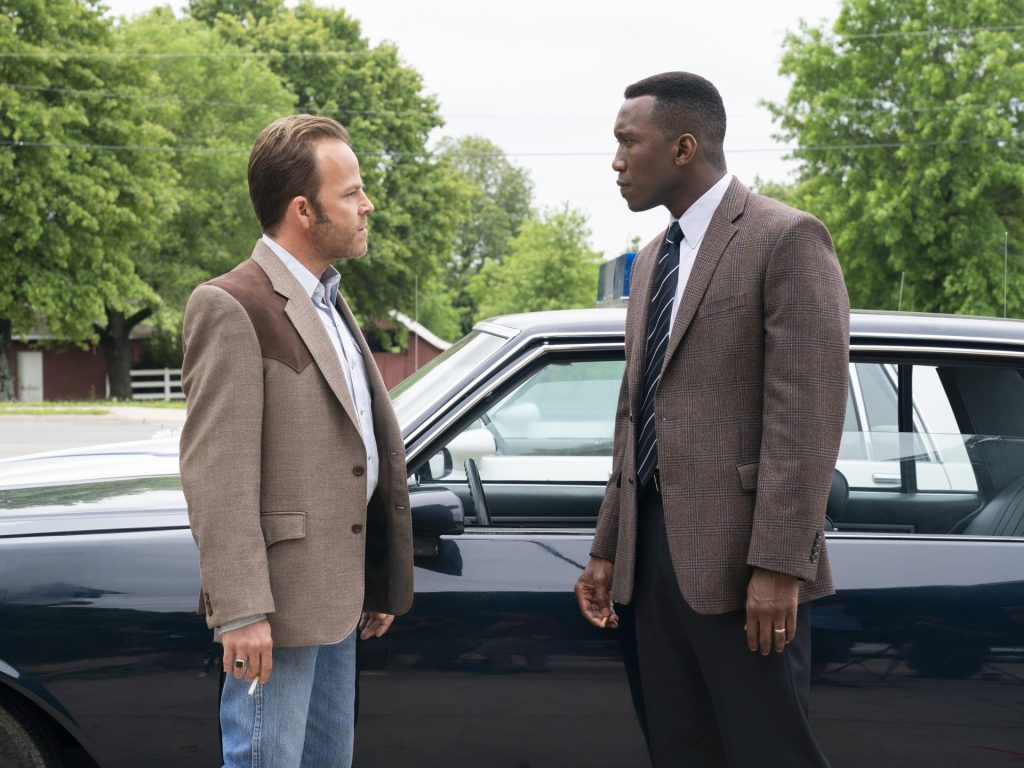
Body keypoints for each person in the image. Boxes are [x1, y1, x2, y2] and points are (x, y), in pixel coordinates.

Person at [574, 72, 849, 767]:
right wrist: (609, 547)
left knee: (769, 754)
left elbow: (806, 416)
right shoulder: (651, 259)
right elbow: (635, 412)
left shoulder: (785, 238)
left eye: (627, 142)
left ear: (683, 147)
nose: (616, 161)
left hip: (741, 567)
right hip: (651, 565)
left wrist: (779, 566)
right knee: (679, 752)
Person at [180, 114, 413, 768]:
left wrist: (374, 579)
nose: (367, 205)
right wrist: (241, 612)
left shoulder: (328, 301)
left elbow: (352, 448)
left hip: (336, 601)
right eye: (352, 193)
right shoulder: (233, 305)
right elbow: (217, 475)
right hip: (275, 612)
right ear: (303, 210)